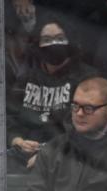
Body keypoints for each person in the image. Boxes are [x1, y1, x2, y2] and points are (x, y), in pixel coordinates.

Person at [7, 17, 99, 170]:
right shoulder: (26, 79)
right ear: (37, 44)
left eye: (60, 38)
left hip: (67, 159)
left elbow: (89, 130)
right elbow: (9, 117)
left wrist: (48, 154)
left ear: (69, 41)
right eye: (47, 39)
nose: (54, 44)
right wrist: (16, 139)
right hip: (22, 154)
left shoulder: (87, 78)